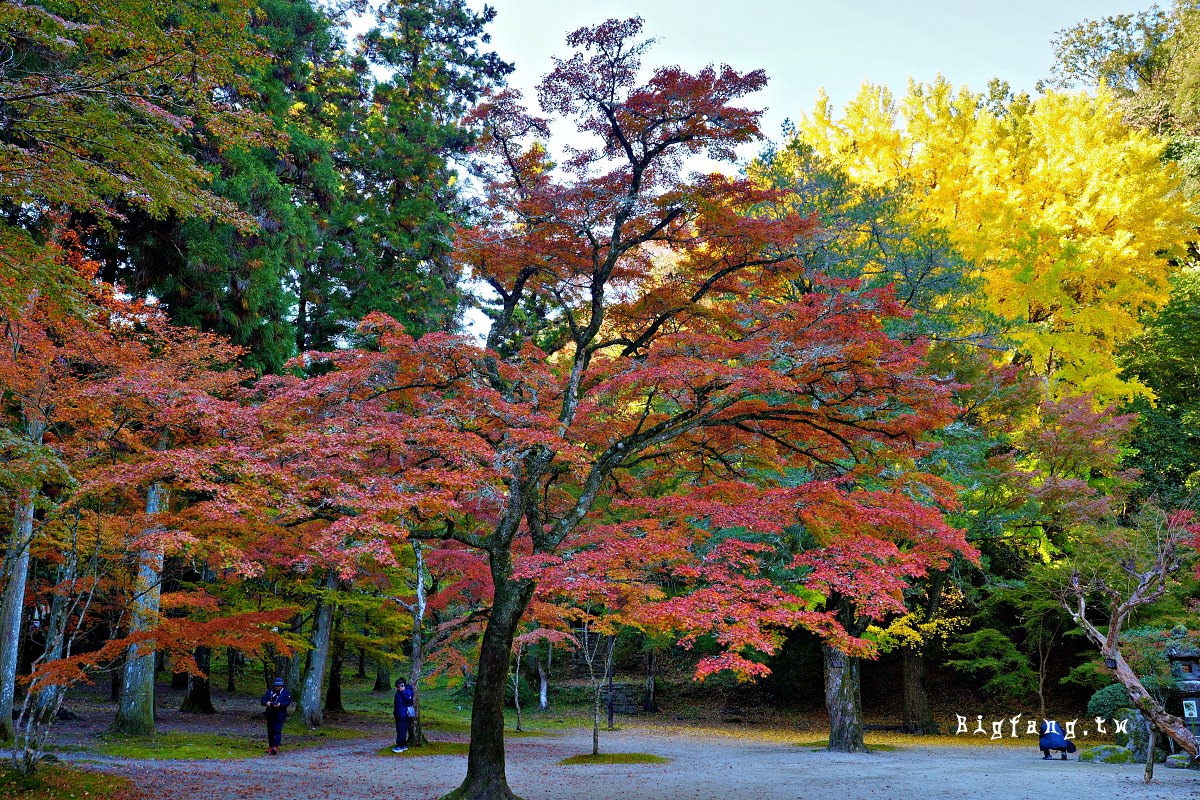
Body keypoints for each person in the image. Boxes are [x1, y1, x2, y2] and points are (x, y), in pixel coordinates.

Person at [261, 677, 292, 755]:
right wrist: (267, 703)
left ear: (282, 686)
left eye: (279, 686)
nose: (278, 687)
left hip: (280, 714)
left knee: (277, 730)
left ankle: (275, 746)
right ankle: (271, 746)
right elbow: (263, 700)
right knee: (270, 731)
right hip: (270, 713)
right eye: (276, 686)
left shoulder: (286, 693)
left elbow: (287, 702)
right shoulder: (269, 692)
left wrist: (280, 704)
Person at [392, 678, 415, 753]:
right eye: (397, 687)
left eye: (399, 686)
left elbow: (409, 700)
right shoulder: (398, 692)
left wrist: (403, 691)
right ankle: (402, 744)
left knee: (402, 730)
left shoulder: (407, 691)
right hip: (399, 713)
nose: (398, 688)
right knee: (399, 729)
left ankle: (401, 745)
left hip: (404, 714)